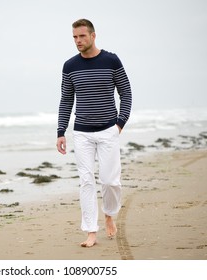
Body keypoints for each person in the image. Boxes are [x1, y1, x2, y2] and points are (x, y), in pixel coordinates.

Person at [56, 19, 132, 248]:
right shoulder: (70, 66)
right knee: (86, 181)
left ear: (93, 36)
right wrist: (61, 131)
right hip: (82, 133)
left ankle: (109, 214)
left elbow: (126, 92)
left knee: (110, 181)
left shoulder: (111, 60)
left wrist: (120, 123)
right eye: (74, 37)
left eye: (82, 36)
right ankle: (91, 230)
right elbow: (66, 99)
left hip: (109, 129)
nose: (78, 41)